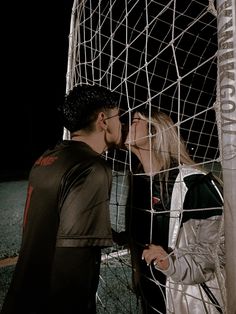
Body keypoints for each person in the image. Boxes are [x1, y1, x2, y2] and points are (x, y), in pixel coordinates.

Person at [1, 84, 122, 314]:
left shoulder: (48, 157)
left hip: (20, 298)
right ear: (103, 120)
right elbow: (72, 264)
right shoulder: (92, 168)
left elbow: (53, 221)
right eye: (118, 117)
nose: (121, 124)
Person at [124, 108, 225, 314]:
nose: (127, 125)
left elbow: (218, 250)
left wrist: (171, 264)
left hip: (191, 302)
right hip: (151, 299)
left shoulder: (195, 182)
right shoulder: (137, 183)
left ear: (155, 131)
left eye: (135, 121)